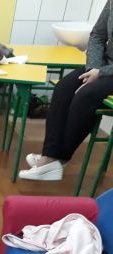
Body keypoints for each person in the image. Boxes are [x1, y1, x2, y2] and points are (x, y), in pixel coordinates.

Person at [20, 1, 113, 181]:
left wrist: (101, 73)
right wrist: (93, 68)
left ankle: (58, 159)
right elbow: (97, 35)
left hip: (108, 72)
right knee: (63, 88)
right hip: (102, 66)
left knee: (86, 95)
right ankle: (50, 155)